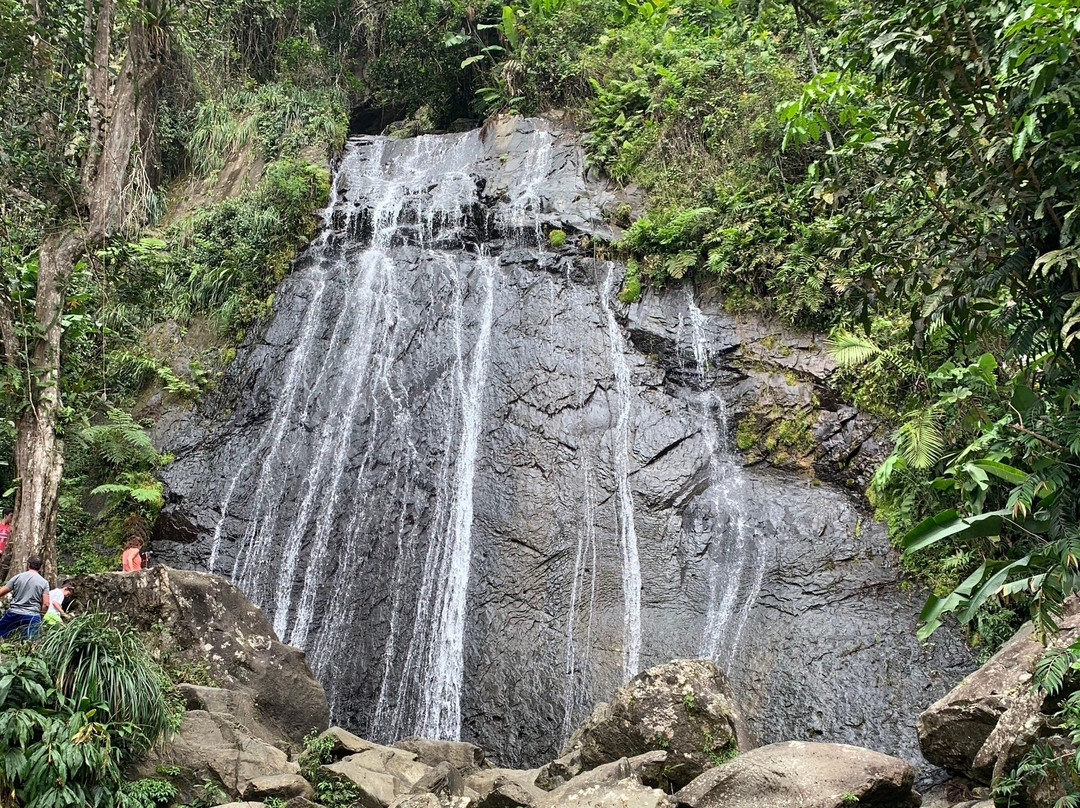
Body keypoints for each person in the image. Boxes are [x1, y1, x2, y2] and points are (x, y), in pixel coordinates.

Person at [0, 556, 50, 639]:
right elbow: (46, 604)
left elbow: (1, 592)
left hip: (14, 613)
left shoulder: (18, 577)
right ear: (40, 567)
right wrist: (41, 616)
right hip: (32, 615)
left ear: (28, 564)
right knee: (30, 642)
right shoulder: (44, 582)